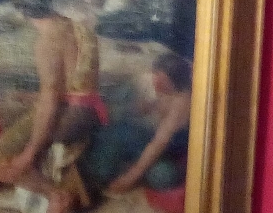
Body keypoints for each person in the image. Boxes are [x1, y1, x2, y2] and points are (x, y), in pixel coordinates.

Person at [0, 0, 106, 213]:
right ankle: (28, 193)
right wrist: (33, 97)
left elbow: (51, 101)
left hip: (70, 118)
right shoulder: (77, 27)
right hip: (90, 110)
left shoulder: (47, 42)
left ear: (22, 11)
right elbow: (76, 85)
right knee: (14, 110)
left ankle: (54, 194)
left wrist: (29, 154)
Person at [78, 51, 192, 197]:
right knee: (118, 126)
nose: (156, 82)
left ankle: (99, 175)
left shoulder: (181, 104)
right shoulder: (171, 90)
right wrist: (147, 107)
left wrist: (129, 179)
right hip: (157, 143)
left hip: (167, 150)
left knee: (162, 175)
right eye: (156, 76)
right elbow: (153, 107)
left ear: (174, 80)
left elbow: (158, 144)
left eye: (161, 79)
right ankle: (104, 171)